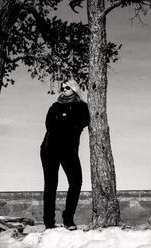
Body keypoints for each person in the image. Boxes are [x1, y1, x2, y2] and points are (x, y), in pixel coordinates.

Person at [40, 79, 90, 230]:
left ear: (74, 89)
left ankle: (68, 218)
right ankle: (49, 223)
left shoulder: (81, 106)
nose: (63, 90)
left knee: (76, 182)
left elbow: (83, 122)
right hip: (49, 150)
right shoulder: (54, 106)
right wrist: (66, 121)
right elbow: (49, 125)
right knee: (50, 185)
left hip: (68, 151)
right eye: (61, 88)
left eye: (67, 87)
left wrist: (64, 120)